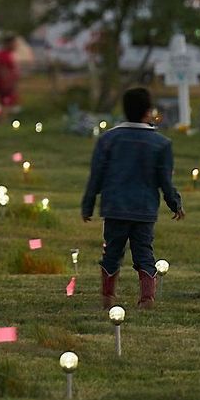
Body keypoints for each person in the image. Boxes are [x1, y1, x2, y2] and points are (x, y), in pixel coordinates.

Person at [80, 87, 185, 310]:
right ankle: (147, 299)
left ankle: (108, 297)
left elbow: (96, 175)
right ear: (148, 112)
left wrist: (88, 204)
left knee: (112, 253)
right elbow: (164, 180)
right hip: (144, 209)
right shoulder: (161, 144)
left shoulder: (108, 140)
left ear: (124, 109)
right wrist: (174, 202)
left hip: (115, 207)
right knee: (144, 252)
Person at [0, 34, 19, 114]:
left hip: (6, 82)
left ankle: (3, 120)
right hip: (5, 83)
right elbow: (3, 69)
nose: (15, 45)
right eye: (14, 43)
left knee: (7, 102)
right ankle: (2, 122)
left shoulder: (7, 54)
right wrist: (7, 83)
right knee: (6, 102)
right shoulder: (3, 55)